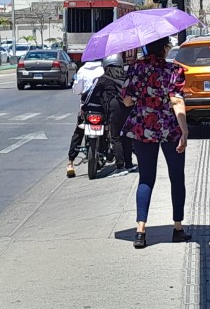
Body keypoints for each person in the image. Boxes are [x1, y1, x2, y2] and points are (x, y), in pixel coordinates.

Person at [121, 36, 191, 249]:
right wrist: (185, 130)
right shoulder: (174, 70)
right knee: (176, 177)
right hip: (169, 127)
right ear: (164, 49)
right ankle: (177, 228)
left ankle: (141, 231)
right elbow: (177, 101)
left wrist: (140, 99)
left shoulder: (135, 69)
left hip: (143, 127)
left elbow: (126, 99)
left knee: (146, 178)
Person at [86, 53, 136, 174]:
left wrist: (85, 104)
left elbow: (89, 95)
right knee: (126, 136)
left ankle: (120, 166)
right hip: (129, 107)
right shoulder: (126, 76)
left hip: (114, 107)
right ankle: (128, 164)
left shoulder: (103, 79)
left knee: (116, 136)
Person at [66, 59, 105, 178]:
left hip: (86, 109)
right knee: (107, 129)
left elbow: (76, 90)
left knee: (78, 132)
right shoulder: (104, 70)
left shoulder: (82, 70)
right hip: (101, 109)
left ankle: (70, 163)